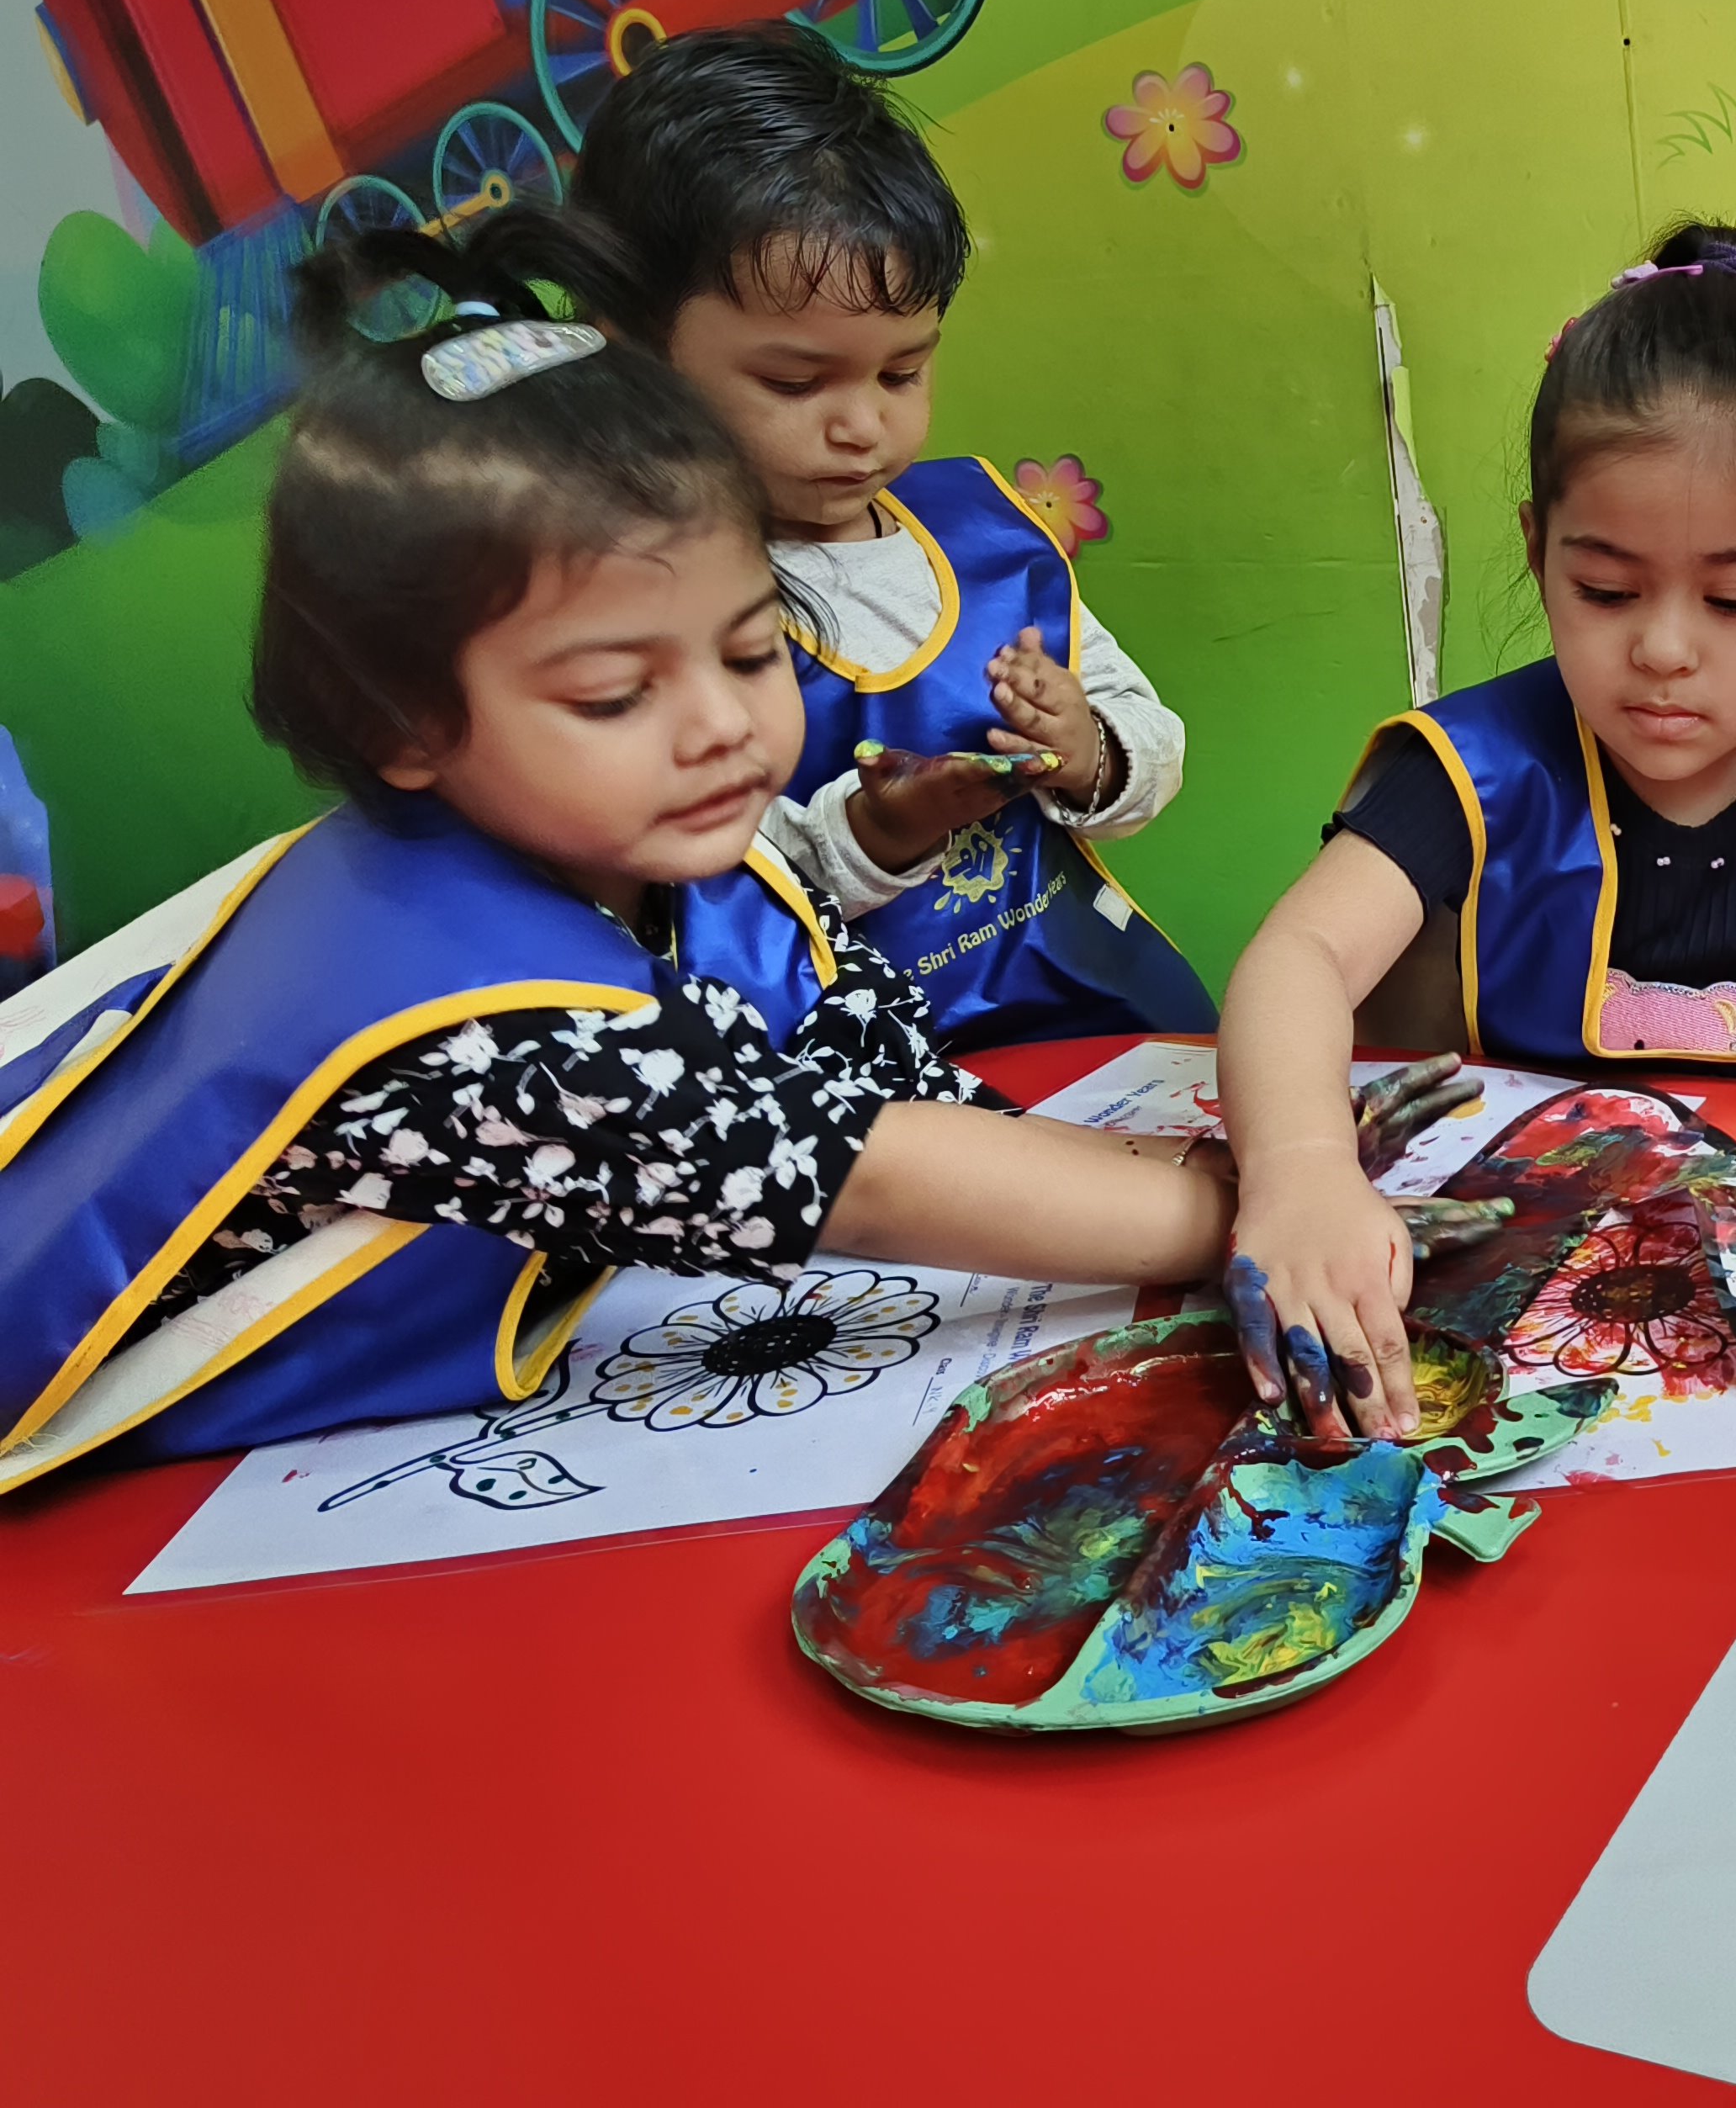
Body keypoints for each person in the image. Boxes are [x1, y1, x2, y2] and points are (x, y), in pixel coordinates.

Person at [0, 225, 1342, 1492]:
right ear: (400, 721)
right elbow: (857, 1174)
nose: (721, 726)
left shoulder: (676, 859)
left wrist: (1271, 1172)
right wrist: (1278, 1204)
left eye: (752, 651)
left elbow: (898, 1086)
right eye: (613, 695)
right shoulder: (472, 1022)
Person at [1215, 225, 1736, 1438]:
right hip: (1519, 1303)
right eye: (1605, 590)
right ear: (1536, 549)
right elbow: (1296, 958)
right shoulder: (1470, 768)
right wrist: (1299, 1169)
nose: (1663, 648)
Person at [566, 22, 1212, 1049]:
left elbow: (1150, 743)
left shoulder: (985, 534)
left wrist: (1089, 750)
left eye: (902, 372)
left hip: (1095, 1018)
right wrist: (872, 836)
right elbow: (685, 902)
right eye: (794, 383)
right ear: (629, 353)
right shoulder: (636, 605)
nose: (863, 426)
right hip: (859, 1083)